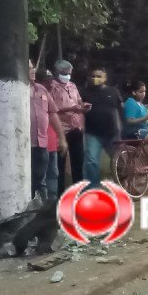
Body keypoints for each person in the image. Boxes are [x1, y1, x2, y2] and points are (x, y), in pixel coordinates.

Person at [49, 59, 88, 195]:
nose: (68, 76)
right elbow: (51, 108)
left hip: (77, 128)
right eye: (65, 73)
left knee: (78, 164)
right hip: (61, 130)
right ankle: (59, 197)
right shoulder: (51, 87)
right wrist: (71, 107)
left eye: (69, 73)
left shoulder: (72, 85)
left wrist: (83, 107)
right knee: (59, 166)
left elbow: (78, 101)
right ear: (57, 72)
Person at [29, 60, 67, 199]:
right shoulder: (15, 92)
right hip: (26, 145)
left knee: (41, 181)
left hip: (42, 144)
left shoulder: (41, 89)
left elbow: (52, 113)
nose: (32, 71)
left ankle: (45, 212)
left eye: (32, 68)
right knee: (30, 182)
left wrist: (62, 138)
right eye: (28, 69)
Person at [80, 67, 123, 184]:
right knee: (91, 162)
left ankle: (124, 185)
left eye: (99, 76)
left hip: (112, 133)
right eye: (93, 76)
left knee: (119, 162)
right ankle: (92, 189)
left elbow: (118, 111)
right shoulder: (83, 93)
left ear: (105, 78)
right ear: (88, 78)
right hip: (92, 133)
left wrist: (119, 131)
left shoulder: (113, 91)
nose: (95, 78)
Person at [37, 67, 64, 200]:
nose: (49, 83)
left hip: (52, 141)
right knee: (40, 176)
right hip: (39, 142)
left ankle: (52, 203)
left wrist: (60, 138)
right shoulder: (32, 94)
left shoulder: (48, 95)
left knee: (53, 173)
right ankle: (41, 203)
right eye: (45, 81)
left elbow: (54, 116)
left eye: (50, 80)